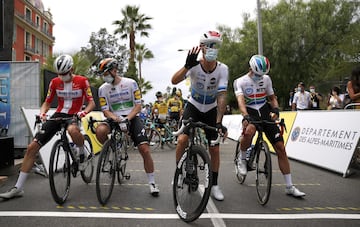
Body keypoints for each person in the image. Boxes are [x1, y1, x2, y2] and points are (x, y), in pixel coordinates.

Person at [0, 54, 96, 199]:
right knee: (32, 147)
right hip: (59, 114)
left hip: (75, 114)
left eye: (65, 73)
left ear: (72, 69)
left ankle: (81, 153)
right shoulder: (54, 82)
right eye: (60, 74)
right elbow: (47, 102)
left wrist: (84, 112)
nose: (62, 76)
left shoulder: (82, 81)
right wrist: (42, 113)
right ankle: (18, 188)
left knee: (72, 129)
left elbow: (91, 102)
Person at [233, 54, 305, 198]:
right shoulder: (240, 81)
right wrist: (245, 115)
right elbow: (241, 101)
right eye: (258, 74)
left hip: (264, 111)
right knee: (250, 131)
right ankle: (242, 160)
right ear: (251, 69)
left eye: (262, 74)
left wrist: (276, 109)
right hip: (250, 111)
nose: (260, 77)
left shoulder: (266, 79)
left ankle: (289, 186)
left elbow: (272, 98)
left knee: (280, 148)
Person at [171, 30, 228, 201]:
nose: (213, 49)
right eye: (210, 46)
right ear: (202, 47)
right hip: (193, 106)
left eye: (216, 46)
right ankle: (180, 172)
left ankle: (215, 184)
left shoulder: (222, 69)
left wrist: (219, 121)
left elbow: (222, 95)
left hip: (210, 109)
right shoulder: (194, 65)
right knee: (182, 140)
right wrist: (187, 66)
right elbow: (174, 81)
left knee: (214, 148)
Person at [95, 58, 159, 196]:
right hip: (114, 117)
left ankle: (152, 182)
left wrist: (127, 119)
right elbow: (105, 110)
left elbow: (138, 105)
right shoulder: (102, 89)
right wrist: (116, 119)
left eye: (105, 73)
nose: (103, 76)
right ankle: (112, 150)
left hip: (132, 116)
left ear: (114, 70)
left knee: (144, 149)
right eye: (102, 74)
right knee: (100, 130)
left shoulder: (131, 83)